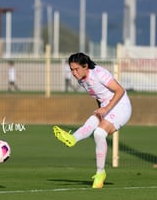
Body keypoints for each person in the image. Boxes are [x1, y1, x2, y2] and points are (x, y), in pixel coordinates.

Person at [53, 52, 131, 189]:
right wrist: (101, 110)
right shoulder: (81, 80)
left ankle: (100, 173)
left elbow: (120, 91)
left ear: (85, 66)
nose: (74, 72)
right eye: (71, 69)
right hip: (106, 107)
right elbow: (98, 95)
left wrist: (106, 109)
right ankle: (72, 139)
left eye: (76, 69)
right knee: (91, 122)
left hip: (121, 107)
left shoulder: (99, 73)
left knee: (99, 133)